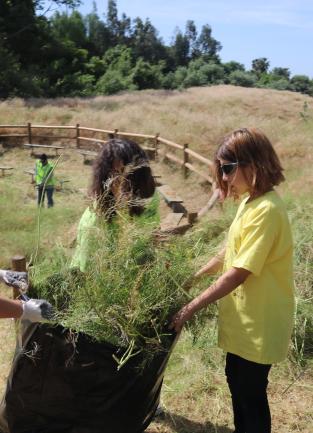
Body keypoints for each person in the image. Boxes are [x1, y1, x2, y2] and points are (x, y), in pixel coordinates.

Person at [170, 127, 295, 433]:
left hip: (260, 320)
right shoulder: (249, 202)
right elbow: (229, 251)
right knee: (236, 383)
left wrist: (190, 308)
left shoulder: (267, 210)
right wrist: (192, 278)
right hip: (244, 319)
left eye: (228, 169)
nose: (224, 178)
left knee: (250, 395)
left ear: (254, 163)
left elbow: (239, 271)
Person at [71, 137, 155, 272]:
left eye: (132, 177)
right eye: (118, 173)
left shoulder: (139, 206)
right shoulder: (95, 224)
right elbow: (87, 277)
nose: (125, 184)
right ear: (106, 179)